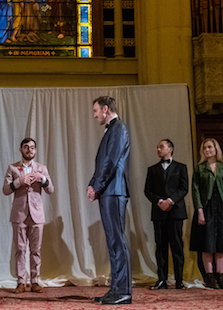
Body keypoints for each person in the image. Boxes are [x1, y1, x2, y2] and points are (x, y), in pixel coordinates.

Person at [87, 95, 132, 305]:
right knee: (113, 243)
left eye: (96, 111)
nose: (95, 115)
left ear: (105, 109)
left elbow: (111, 162)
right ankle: (116, 289)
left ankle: (123, 291)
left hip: (114, 191)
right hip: (108, 191)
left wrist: (97, 186)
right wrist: (92, 183)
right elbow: (102, 162)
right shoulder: (112, 129)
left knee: (117, 242)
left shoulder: (119, 128)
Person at [3, 137, 55, 293]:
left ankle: (35, 281)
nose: (29, 150)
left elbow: (51, 189)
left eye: (32, 147)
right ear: (21, 150)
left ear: (36, 150)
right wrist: (19, 181)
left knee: (36, 250)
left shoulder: (41, 168)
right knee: (20, 249)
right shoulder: (12, 168)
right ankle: (20, 282)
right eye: (26, 147)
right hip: (19, 213)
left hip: (37, 214)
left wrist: (43, 179)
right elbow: (5, 190)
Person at [190, 138, 223, 290]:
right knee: (207, 243)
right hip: (206, 208)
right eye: (205, 148)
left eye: (210, 147)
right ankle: (209, 276)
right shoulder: (199, 169)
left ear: (216, 149)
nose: (207, 150)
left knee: (222, 244)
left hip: (222, 209)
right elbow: (195, 191)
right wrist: (199, 211)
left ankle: (220, 275)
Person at [143, 139, 188, 290]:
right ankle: (161, 280)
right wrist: (160, 201)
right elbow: (147, 191)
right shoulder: (152, 169)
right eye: (157, 147)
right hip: (159, 212)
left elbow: (184, 188)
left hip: (175, 212)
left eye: (161, 146)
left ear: (170, 149)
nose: (158, 149)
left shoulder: (181, 167)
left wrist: (170, 201)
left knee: (177, 247)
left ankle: (179, 280)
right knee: (160, 247)